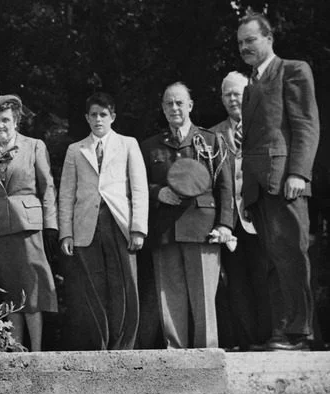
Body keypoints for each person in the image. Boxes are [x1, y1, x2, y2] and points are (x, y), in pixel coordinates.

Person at [237, 13, 320, 351]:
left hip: (286, 181)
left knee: (292, 256)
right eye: (240, 43)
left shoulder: (293, 70)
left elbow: (305, 125)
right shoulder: (250, 84)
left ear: (269, 38)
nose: (244, 47)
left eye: (250, 40)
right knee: (272, 260)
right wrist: (246, 192)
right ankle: (280, 332)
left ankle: (300, 333)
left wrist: (299, 173)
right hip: (259, 188)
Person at [141, 82, 234, 349]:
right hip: (165, 229)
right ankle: (176, 352)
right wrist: (158, 193)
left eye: (179, 102)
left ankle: (207, 351)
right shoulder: (149, 146)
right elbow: (136, 185)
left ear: (190, 106)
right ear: (162, 108)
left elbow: (225, 185)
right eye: (169, 103)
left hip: (202, 226)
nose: (174, 108)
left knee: (204, 295)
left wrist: (225, 224)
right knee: (169, 294)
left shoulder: (210, 140)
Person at [59, 92, 149, 350]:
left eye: (104, 115)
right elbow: (66, 194)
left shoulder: (128, 144)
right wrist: (66, 233)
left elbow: (139, 188)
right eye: (94, 115)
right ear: (87, 118)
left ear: (113, 117)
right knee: (93, 287)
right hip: (86, 226)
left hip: (119, 223)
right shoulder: (75, 150)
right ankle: (99, 343)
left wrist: (138, 228)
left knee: (124, 284)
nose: (98, 120)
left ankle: (123, 345)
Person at [0, 94, 57, 351]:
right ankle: (15, 349)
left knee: (32, 289)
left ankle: (36, 352)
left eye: (6, 120)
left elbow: (47, 188)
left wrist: (51, 225)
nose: (1, 126)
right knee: (8, 291)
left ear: (16, 122)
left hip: (29, 226)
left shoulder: (34, 146)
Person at [210, 71, 270, 351]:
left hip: (261, 217)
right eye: (227, 94)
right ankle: (245, 341)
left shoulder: (267, 127)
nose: (233, 99)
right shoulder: (212, 135)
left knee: (265, 277)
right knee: (235, 283)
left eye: (238, 93)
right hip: (229, 221)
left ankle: (270, 337)